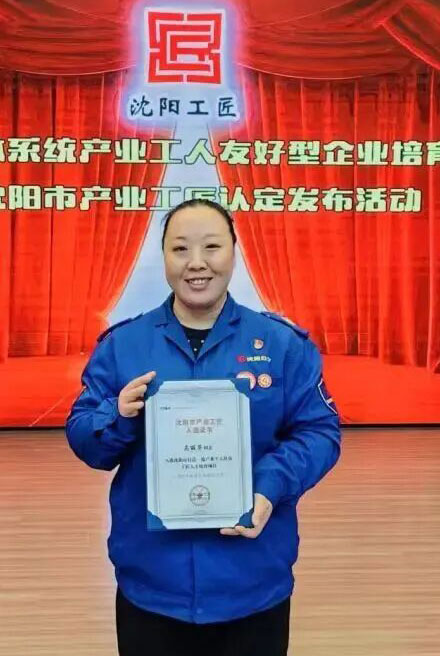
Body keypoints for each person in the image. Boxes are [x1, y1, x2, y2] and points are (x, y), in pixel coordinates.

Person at [65, 198, 342, 656]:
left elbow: (319, 432)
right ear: (164, 257)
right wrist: (118, 415)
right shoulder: (124, 345)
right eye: (180, 249)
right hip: (152, 586)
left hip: (253, 581)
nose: (196, 263)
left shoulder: (281, 345)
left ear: (234, 251)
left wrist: (269, 486)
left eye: (211, 246)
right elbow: (84, 436)